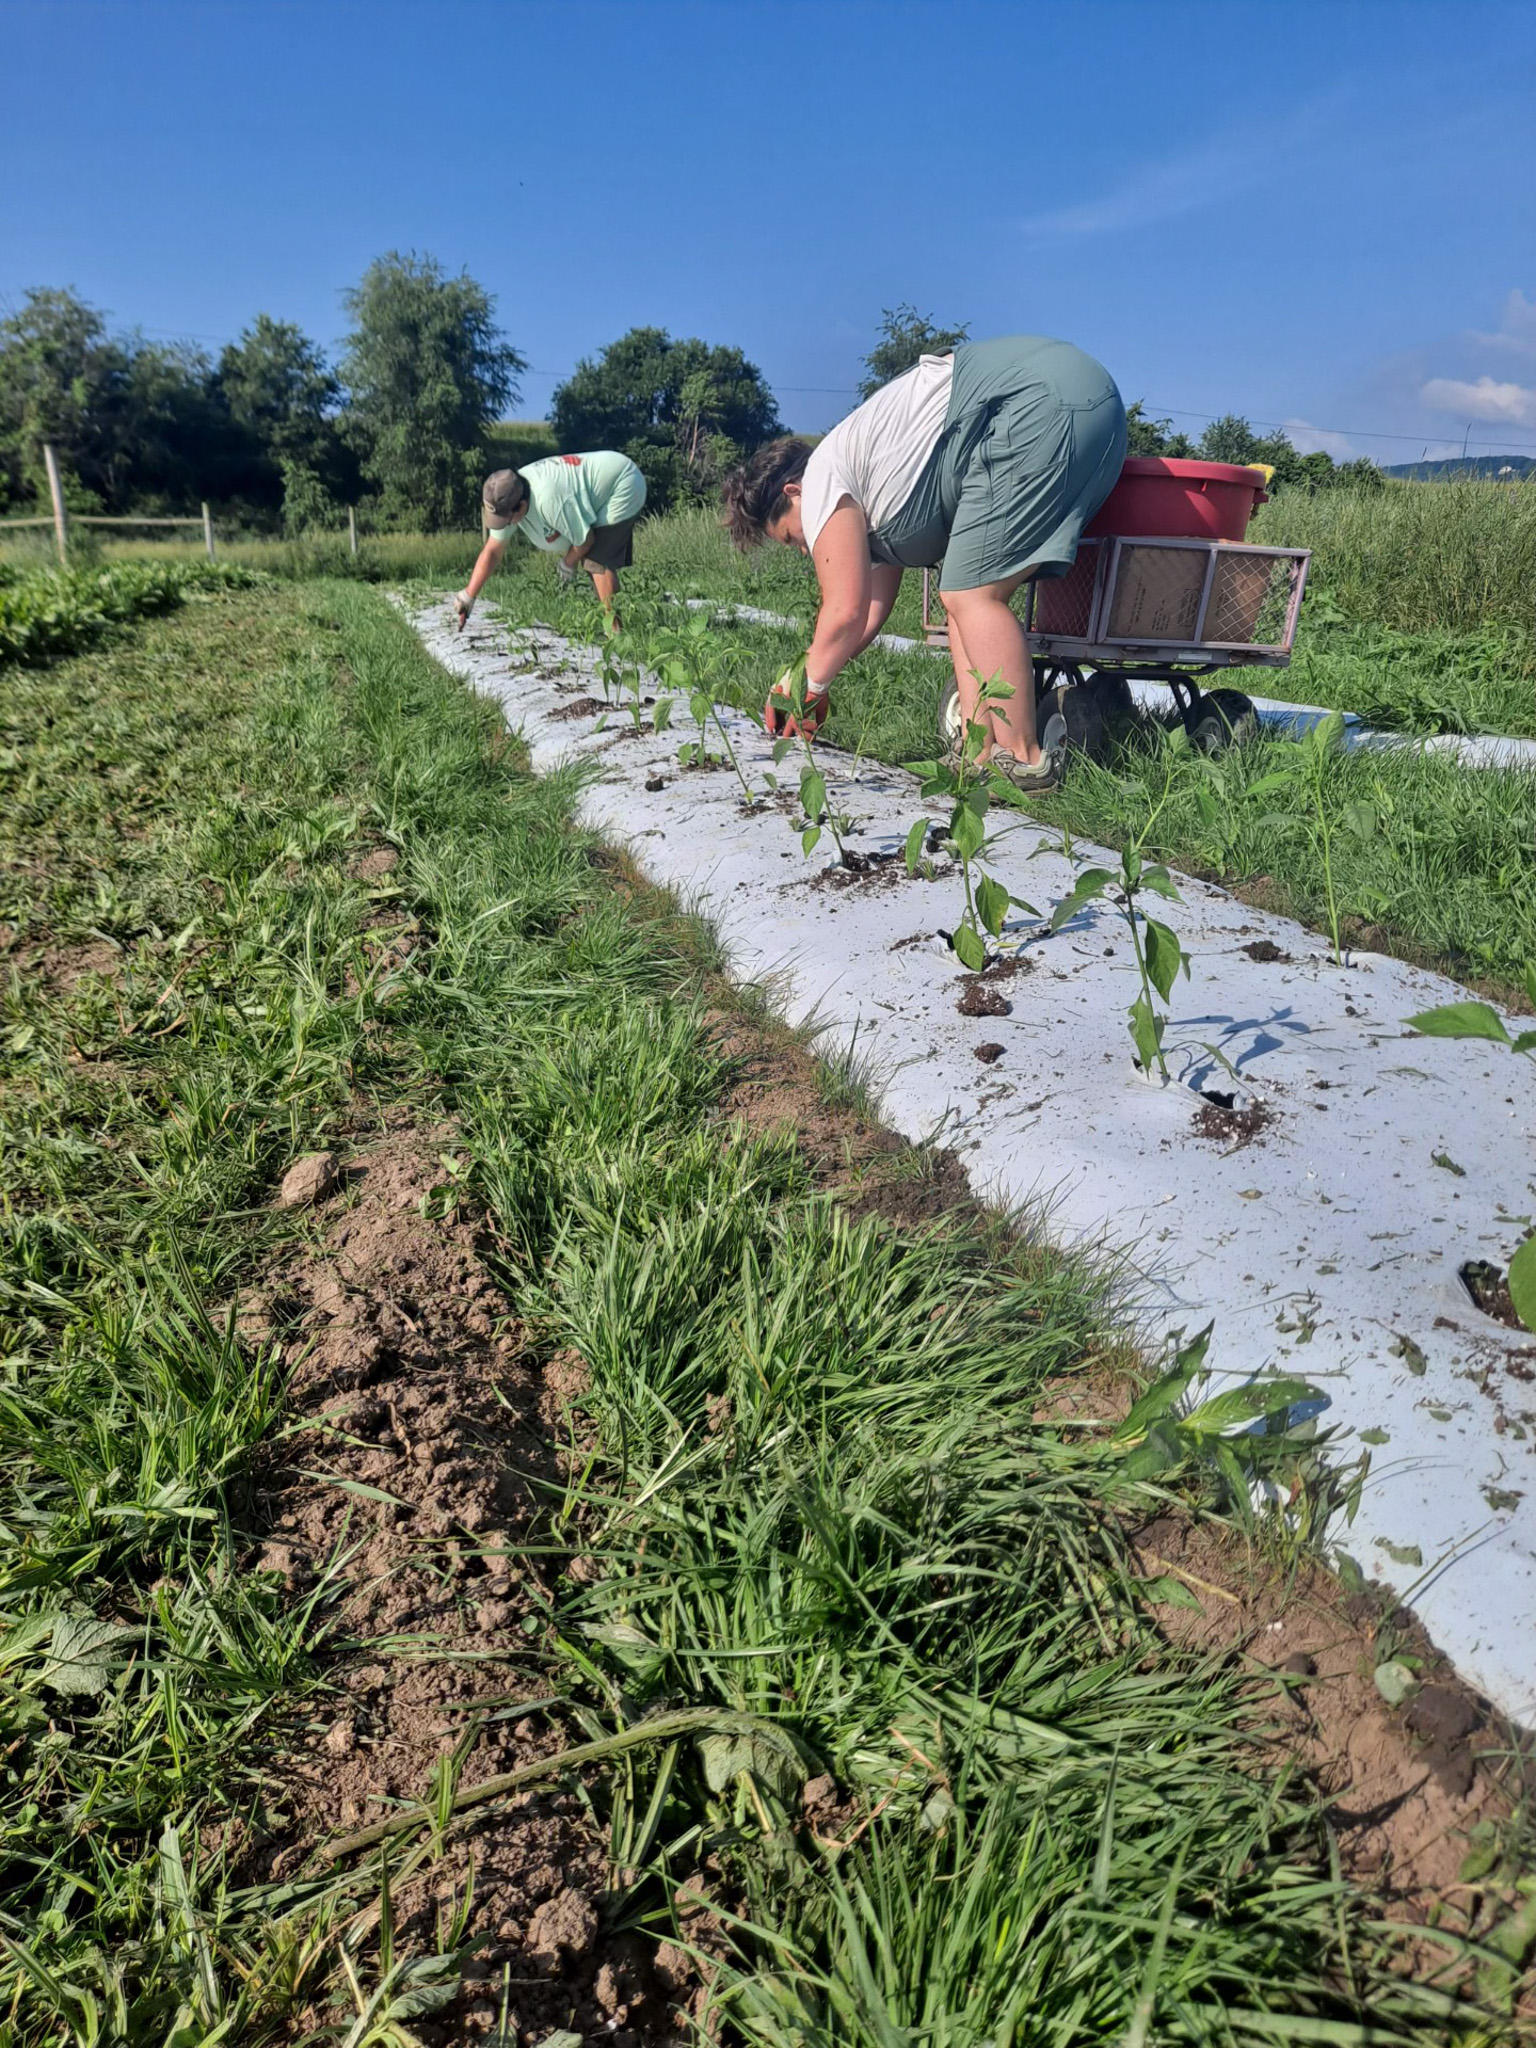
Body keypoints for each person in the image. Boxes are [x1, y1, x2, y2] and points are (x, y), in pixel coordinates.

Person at [721, 336, 1126, 790]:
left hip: (1036, 404)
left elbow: (843, 612)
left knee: (972, 595)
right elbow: (867, 616)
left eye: (793, 536)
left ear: (793, 494)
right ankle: (979, 751)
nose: (804, 548)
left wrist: (808, 688)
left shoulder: (820, 480)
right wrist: (809, 679)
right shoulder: (865, 474)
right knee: (961, 599)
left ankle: (1024, 760)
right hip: (1084, 405)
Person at [455, 450, 647, 629]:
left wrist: (567, 563)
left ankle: (617, 635)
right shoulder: (509, 492)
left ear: (521, 507)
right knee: (591, 562)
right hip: (599, 485)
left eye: (506, 519)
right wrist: (468, 595)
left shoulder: (549, 500)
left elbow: (585, 540)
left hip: (622, 482)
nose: (504, 525)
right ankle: (612, 625)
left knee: (596, 560)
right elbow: (492, 551)